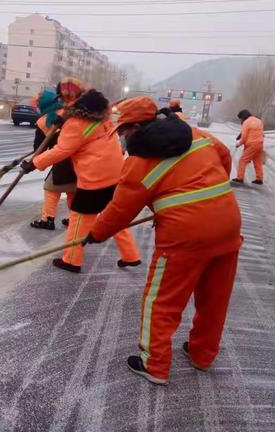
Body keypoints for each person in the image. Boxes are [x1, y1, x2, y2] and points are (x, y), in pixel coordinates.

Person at [85, 96, 242, 385]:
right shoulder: (196, 135)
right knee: (215, 298)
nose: (120, 138)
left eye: (122, 131)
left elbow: (120, 211)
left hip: (185, 236)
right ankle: (202, 354)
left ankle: (154, 364)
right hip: (228, 224)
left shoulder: (139, 162)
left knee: (162, 301)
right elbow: (224, 157)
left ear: (135, 127)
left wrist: (95, 234)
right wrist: (200, 189)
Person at [22, 89, 141, 273]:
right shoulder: (104, 119)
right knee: (114, 218)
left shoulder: (76, 123)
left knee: (78, 220)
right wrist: (64, 121)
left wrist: (34, 164)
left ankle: (71, 260)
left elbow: (62, 150)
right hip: (115, 173)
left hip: (95, 179)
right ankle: (131, 255)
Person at [29, 78, 85, 230]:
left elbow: (39, 149)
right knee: (73, 190)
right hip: (83, 160)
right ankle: (75, 218)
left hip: (63, 159)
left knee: (51, 188)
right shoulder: (70, 113)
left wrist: (32, 162)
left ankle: (48, 219)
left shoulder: (43, 121)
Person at [231, 109, 264, 185]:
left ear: (243, 117)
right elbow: (257, 132)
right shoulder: (259, 121)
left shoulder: (246, 122)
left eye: (241, 118)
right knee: (257, 161)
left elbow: (244, 137)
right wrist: (241, 135)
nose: (241, 120)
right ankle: (259, 179)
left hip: (252, 144)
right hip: (260, 143)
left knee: (243, 160)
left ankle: (240, 178)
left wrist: (239, 144)